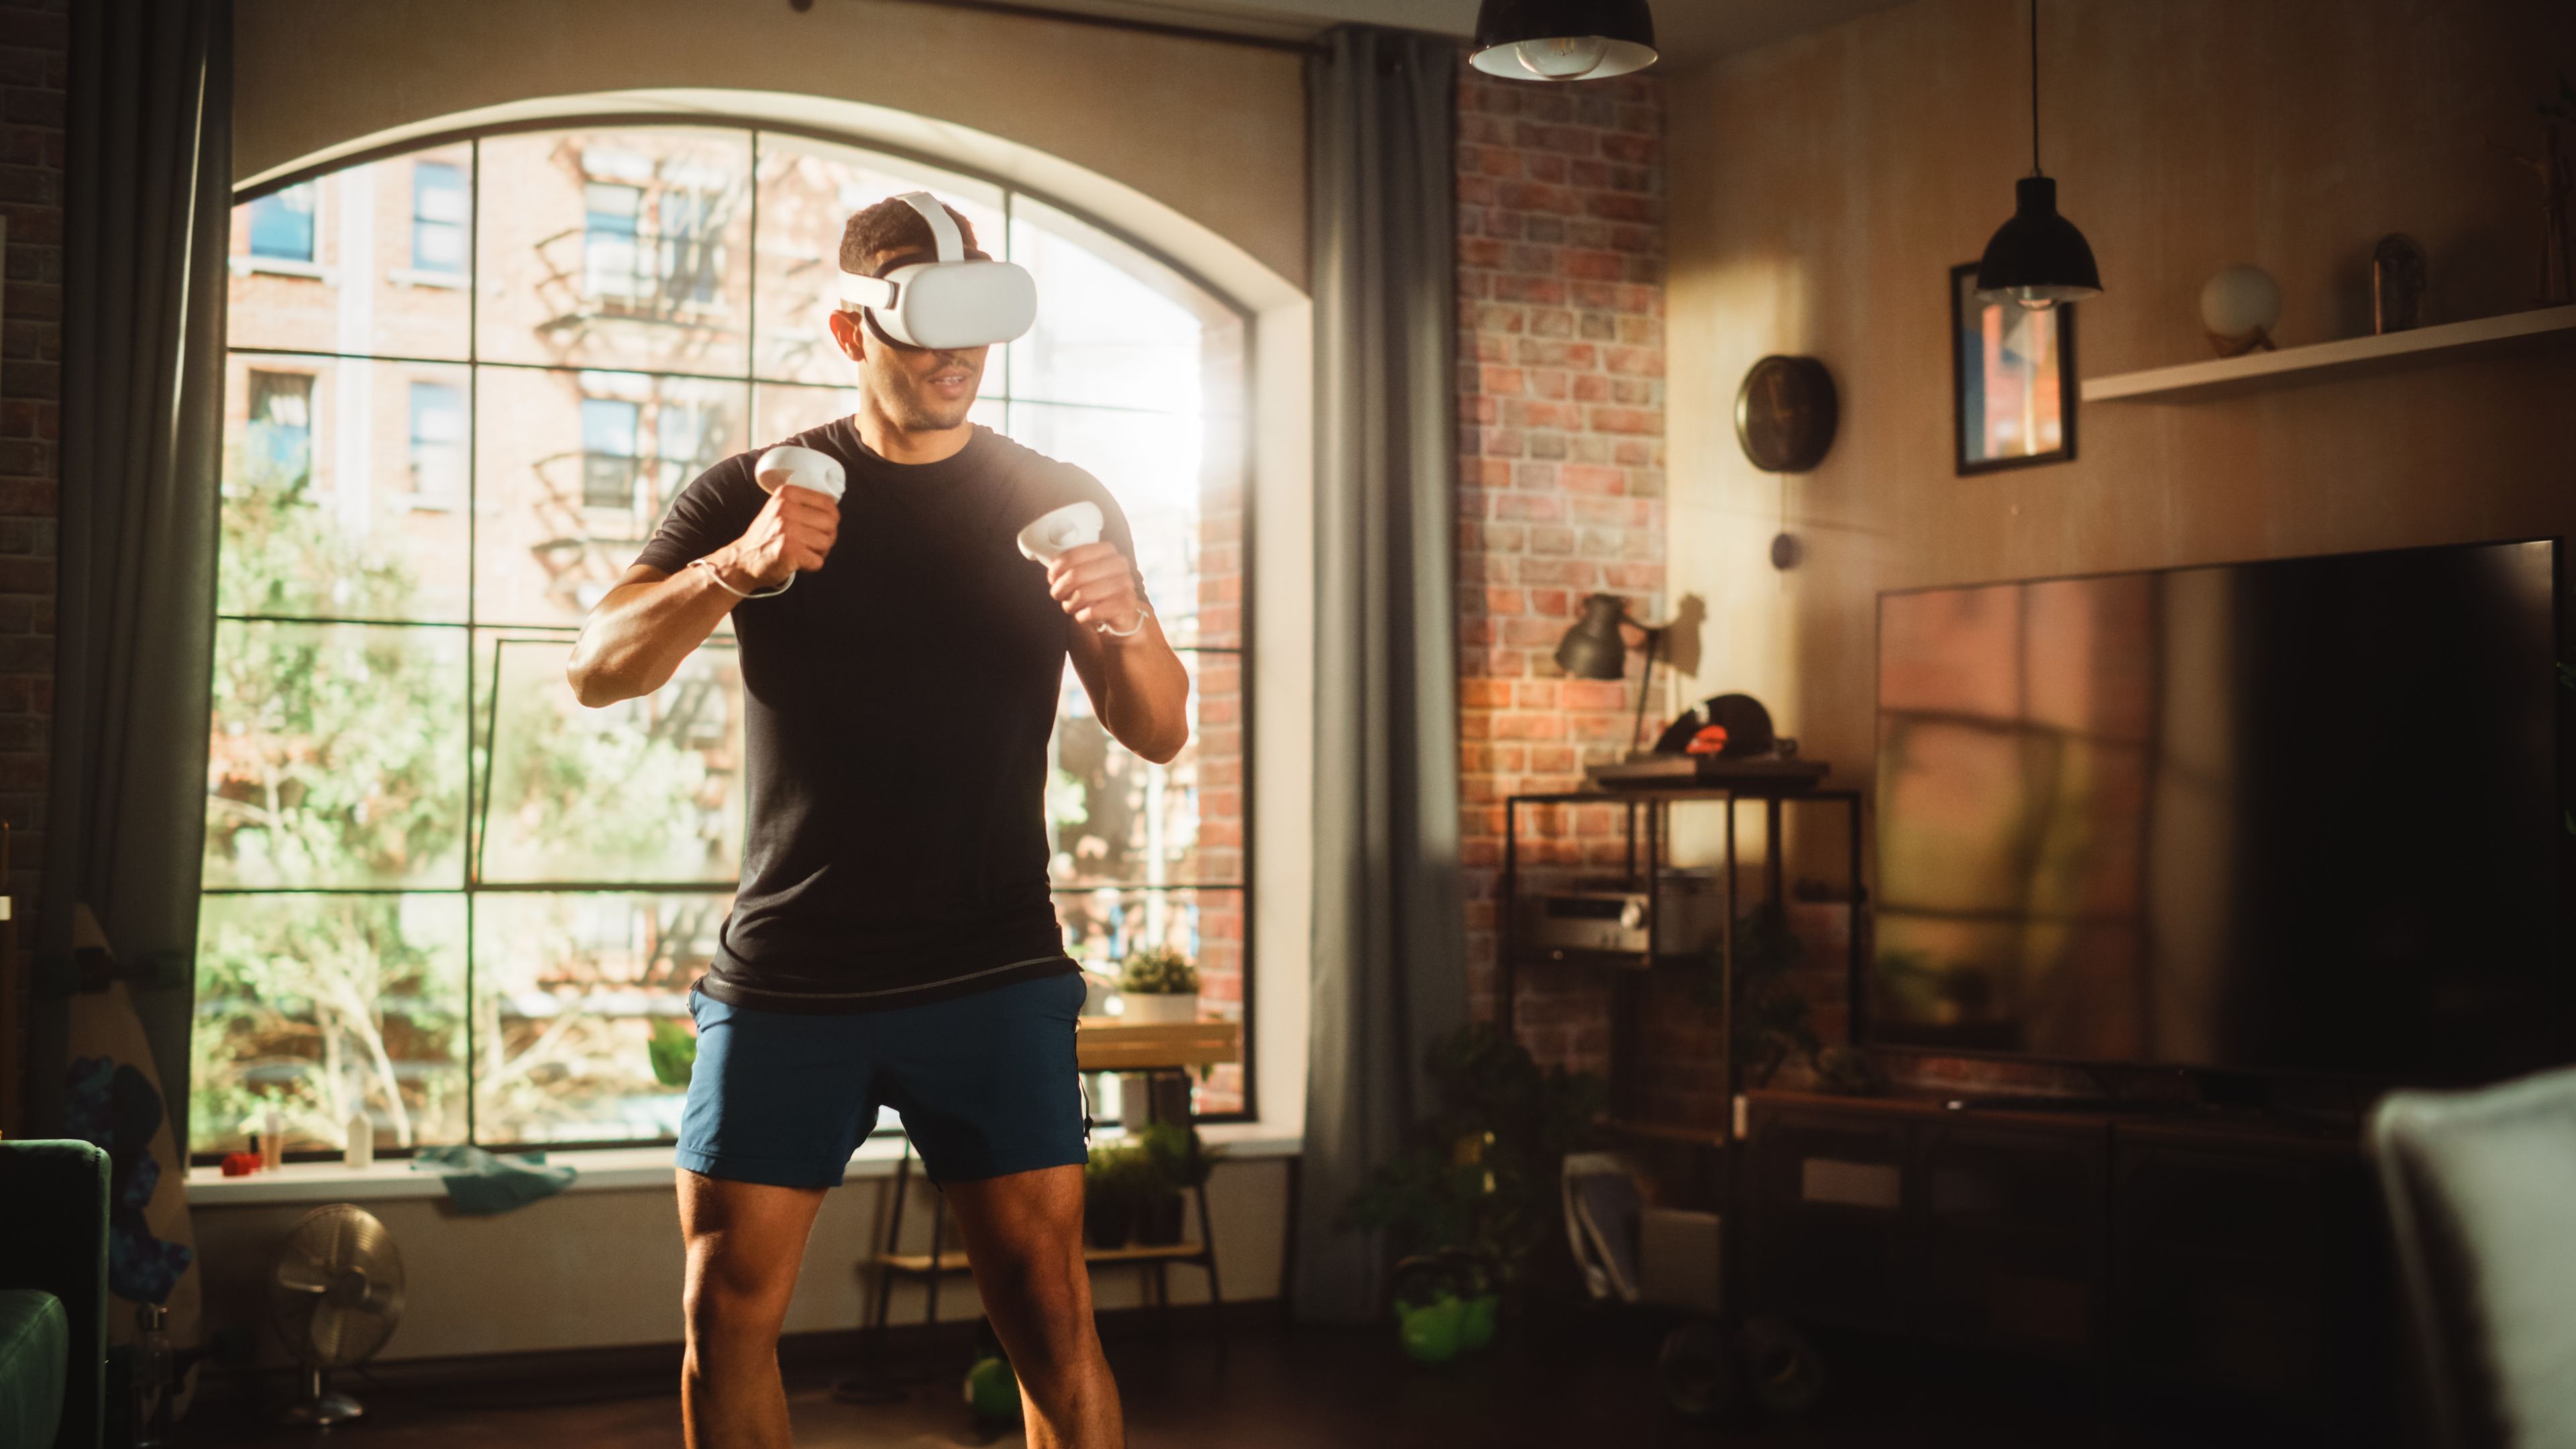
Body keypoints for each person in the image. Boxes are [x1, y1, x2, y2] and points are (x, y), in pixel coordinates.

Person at [566, 194, 1189, 1449]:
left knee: (1050, 1313)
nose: (957, 358)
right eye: (925, 326)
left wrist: (1120, 619)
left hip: (993, 963)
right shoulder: (751, 491)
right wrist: (734, 569)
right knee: (727, 1309)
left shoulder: (1061, 497)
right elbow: (599, 669)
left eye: (979, 328)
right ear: (854, 331)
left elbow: (1160, 727)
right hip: (791, 973)